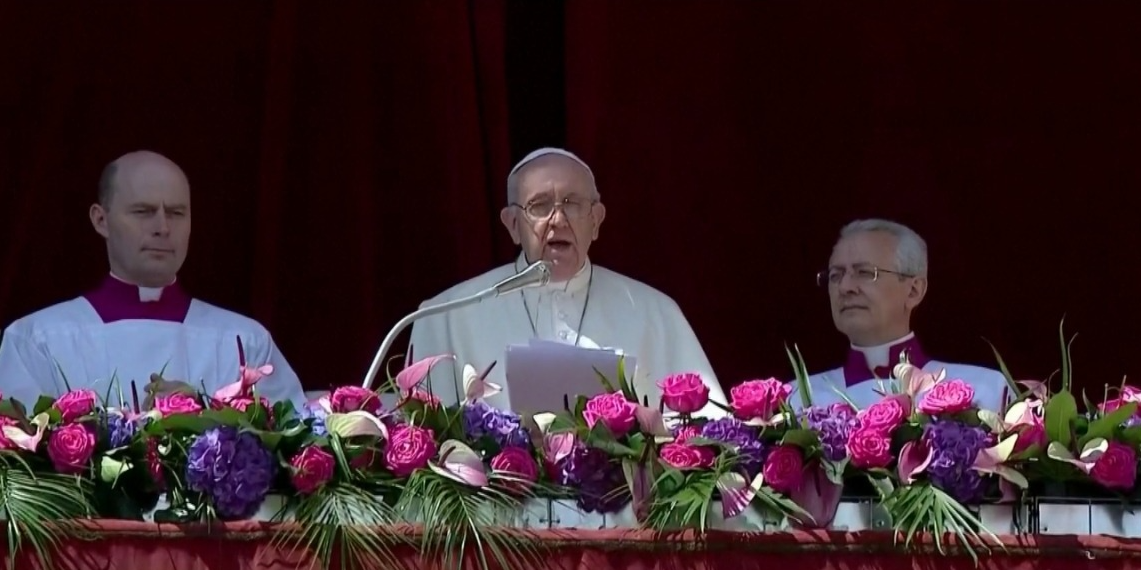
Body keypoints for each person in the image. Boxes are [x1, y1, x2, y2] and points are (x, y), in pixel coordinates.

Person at [407, 147, 725, 415]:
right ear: (513, 225)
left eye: (572, 204)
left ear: (596, 221)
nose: (558, 220)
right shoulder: (446, 315)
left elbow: (704, 436)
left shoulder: (656, 314)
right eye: (539, 206)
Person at [0, 150, 305, 408]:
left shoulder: (244, 341)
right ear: (101, 220)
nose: (163, 227)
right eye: (143, 211)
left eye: (177, 213)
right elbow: (12, 468)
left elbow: (290, 457)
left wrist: (207, 410)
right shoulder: (37, 339)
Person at [794, 218, 1011, 410]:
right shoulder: (794, 402)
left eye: (865, 273)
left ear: (914, 290)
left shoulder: (984, 391)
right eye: (835, 275)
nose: (845, 287)